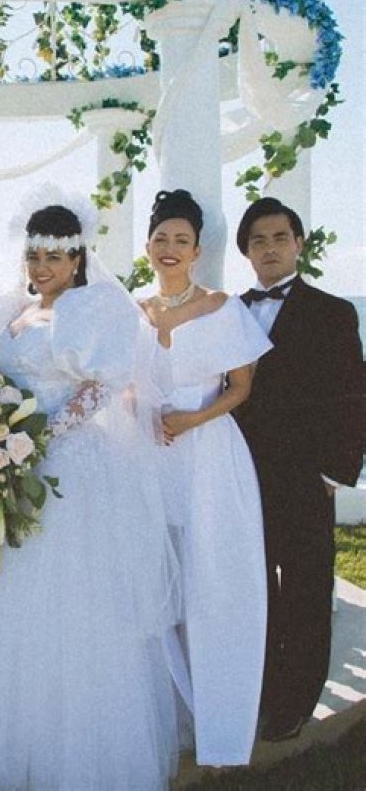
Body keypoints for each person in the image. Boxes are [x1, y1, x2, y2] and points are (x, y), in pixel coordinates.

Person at [0, 186, 181, 790]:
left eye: (54, 257)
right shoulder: (9, 310)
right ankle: (0, 732)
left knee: (68, 602)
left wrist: (41, 434)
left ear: (77, 259)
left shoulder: (96, 307)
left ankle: (69, 743)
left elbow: (102, 385)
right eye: (34, 256)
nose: (41, 267)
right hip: (7, 462)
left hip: (69, 467)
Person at [138, 189, 272, 766]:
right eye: (161, 238)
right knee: (155, 582)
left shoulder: (222, 307)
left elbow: (241, 387)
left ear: (196, 250)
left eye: (181, 240)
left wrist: (191, 419)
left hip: (210, 455)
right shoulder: (135, 311)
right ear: (148, 246)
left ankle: (219, 717)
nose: (170, 248)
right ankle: (166, 708)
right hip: (150, 458)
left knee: (212, 582)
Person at [233, 196, 363, 743]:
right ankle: (262, 688)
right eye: (258, 240)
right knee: (256, 586)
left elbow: (353, 396)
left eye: (279, 238)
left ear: (298, 244)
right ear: (246, 251)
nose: (269, 248)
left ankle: (297, 701)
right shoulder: (230, 310)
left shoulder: (333, 312)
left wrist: (334, 473)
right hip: (242, 474)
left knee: (307, 587)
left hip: (306, 475)